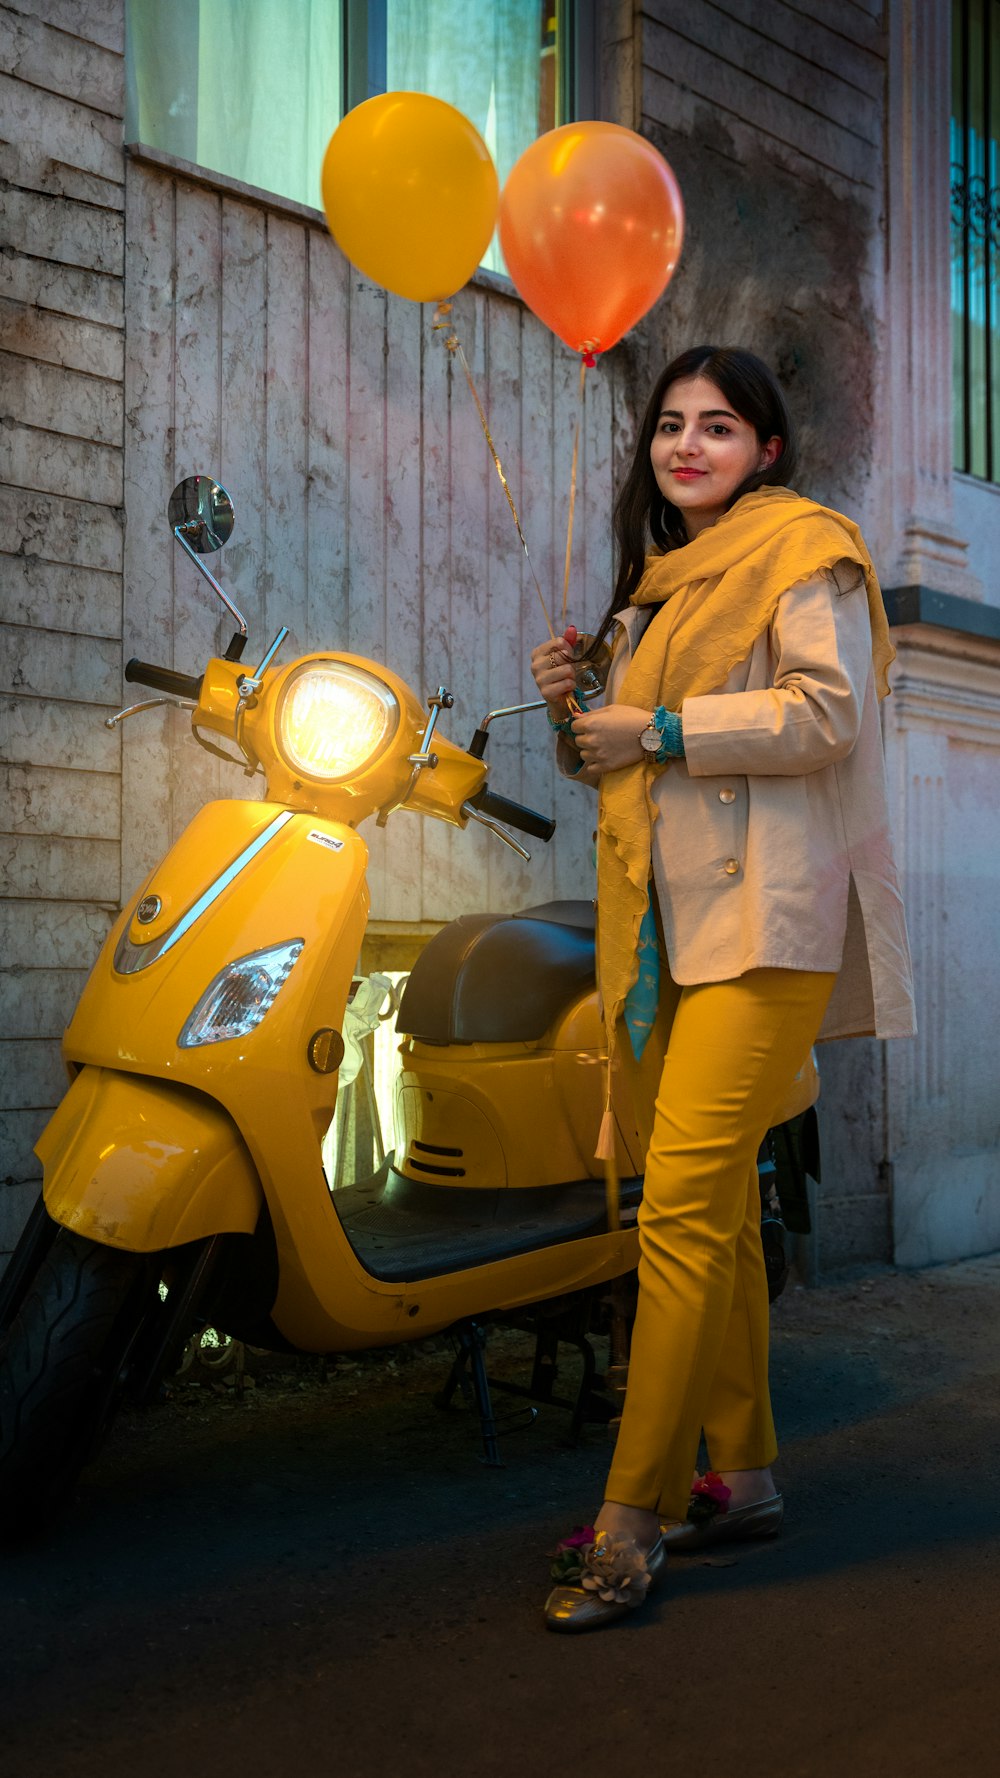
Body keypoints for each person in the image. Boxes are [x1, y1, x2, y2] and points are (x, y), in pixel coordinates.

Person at [530, 345, 915, 1633]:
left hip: (771, 922)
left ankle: (631, 1519)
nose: (687, 447)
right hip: (672, 934)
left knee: (681, 1213)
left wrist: (666, 726)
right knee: (721, 1215)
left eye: (721, 427)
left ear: (769, 451)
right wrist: (579, 706)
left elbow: (826, 716)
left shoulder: (806, 553)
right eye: (671, 427)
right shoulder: (654, 597)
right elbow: (617, 771)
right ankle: (742, 1478)